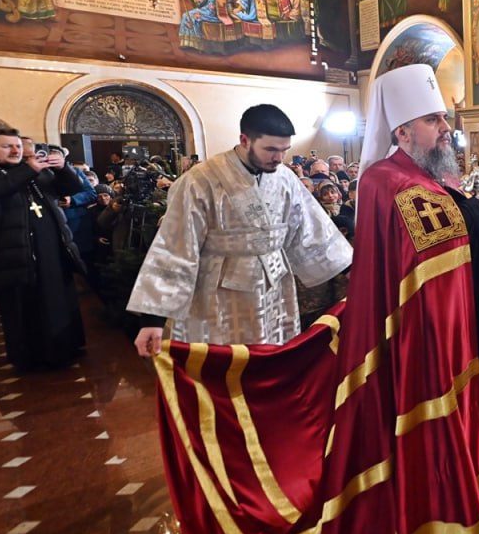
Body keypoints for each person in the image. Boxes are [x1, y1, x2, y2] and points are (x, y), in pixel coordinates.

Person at [153, 66, 479, 534]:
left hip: (287, 300)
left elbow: (337, 249)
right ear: (403, 130)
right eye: (433, 120)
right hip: (219, 305)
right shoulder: (382, 182)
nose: (446, 129)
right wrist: (149, 314)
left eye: (443, 118)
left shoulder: (413, 176)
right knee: (264, 381)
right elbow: (430, 252)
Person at [129, 105, 353, 353]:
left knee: (271, 361)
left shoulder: (285, 178)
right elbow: (176, 246)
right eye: (270, 149)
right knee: (225, 365)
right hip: (220, 293)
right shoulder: (200, 181)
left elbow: (311, 229)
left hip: (275, 289)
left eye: (284, 150)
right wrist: (153, 319)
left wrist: (349, 269)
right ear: (244, 140)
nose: (279, 158)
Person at [0, 129, 86, 371]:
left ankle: (67, 348)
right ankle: (32, 358)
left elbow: (70, 188)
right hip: (12, 252)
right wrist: (29, 169)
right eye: (7, 146)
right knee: (23, 306)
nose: (16, 151)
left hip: (50, 247)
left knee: (58, 298)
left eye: (17, 146)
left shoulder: (34, 171)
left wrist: (63, 168)